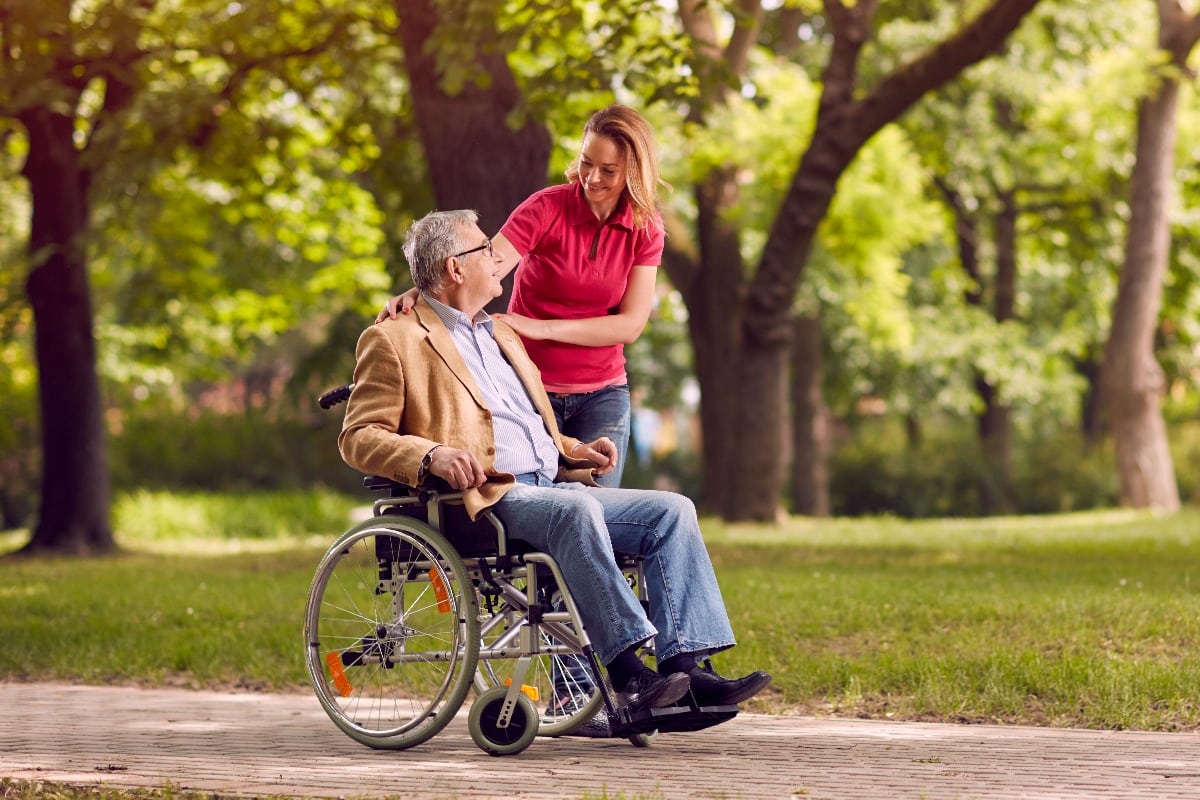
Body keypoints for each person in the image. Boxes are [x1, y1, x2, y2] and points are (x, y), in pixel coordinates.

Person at [343, 209, 770, 731]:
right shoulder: (395, 339)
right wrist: (431, 456)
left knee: (671, 510)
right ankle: (631, 676)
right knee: (574, 510)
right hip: (483, 499)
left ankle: (686, 670)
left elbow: (522, 423)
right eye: (484, 250)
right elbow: (360, 436)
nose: (497, 257)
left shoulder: (501, 333)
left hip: (550, 488)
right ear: (455, 268)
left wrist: (573, 450)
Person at [378, 104, 666, 490]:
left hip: (603, 394)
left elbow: (629, 325)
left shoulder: (646, 229)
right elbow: (480, 265)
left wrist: (539, 327)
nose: (592, 178)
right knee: (544, 517)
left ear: (633, 171)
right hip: (529, 388)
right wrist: (422, 287)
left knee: (602, 513)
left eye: (609, 171)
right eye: (586, 162)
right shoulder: (547, 208)